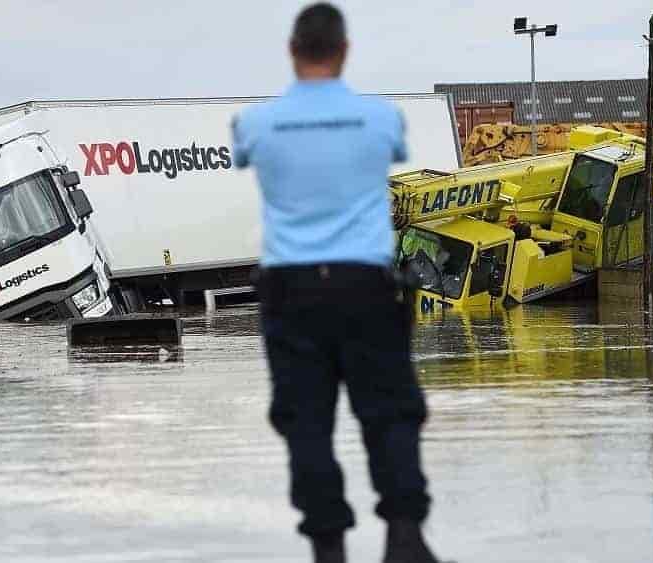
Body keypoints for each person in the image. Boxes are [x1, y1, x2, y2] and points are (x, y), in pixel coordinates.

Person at [231, 4, 441, 563]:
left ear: (291, 51)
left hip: (290, 291)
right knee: (389, 412)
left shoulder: (255, 124)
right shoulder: (381, 119)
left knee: (305, 420)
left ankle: (328, 546)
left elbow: (243, 157)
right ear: (344, 50)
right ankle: (404, 536)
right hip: (366, 287)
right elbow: (394, 155)